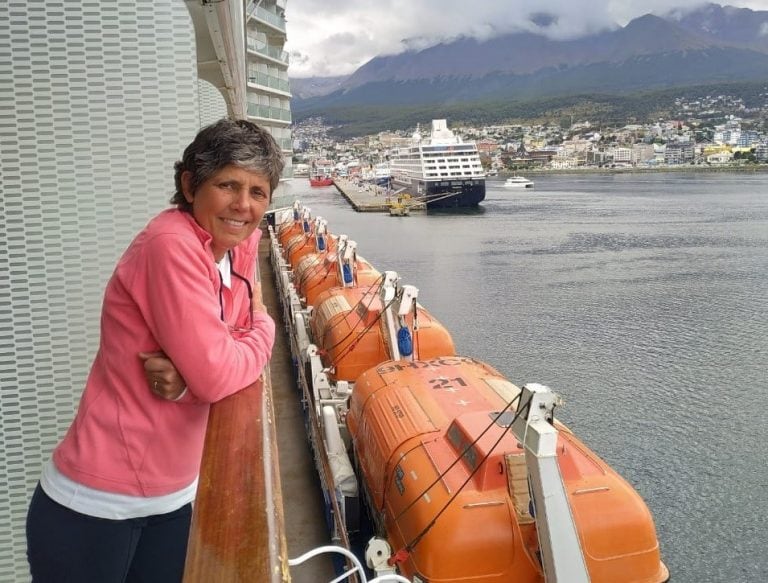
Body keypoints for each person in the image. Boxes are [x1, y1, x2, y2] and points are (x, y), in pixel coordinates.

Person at [26, 118, 284, 582]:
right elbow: (220, 369)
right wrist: (262, 330)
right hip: (96, 508)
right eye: (228, 185)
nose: (244, 206)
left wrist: (196, 376)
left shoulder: (238, 243)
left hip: (174, 496)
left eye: (258, 192)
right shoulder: (170, 245)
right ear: (190, 184)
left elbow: (221, 355)